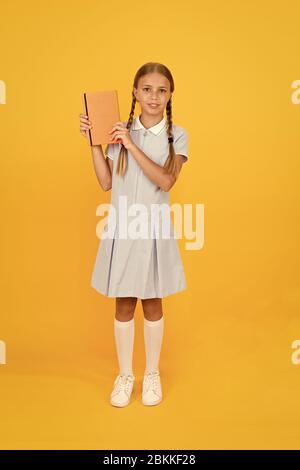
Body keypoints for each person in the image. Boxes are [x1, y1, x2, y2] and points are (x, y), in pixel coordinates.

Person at [79, 62, 189, 407]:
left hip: (153, 228)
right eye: (146, 89)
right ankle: (126, 375)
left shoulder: (177, 135)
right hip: (124, 227)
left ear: (170, 95)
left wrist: (131, 143)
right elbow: (106, 182)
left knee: (153, 302)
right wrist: (95, 143)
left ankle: (152, 374)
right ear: (135, 93)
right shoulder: (119, 130)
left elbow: (166, 180)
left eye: (161, 90)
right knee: (125, 302)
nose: (153, 97)